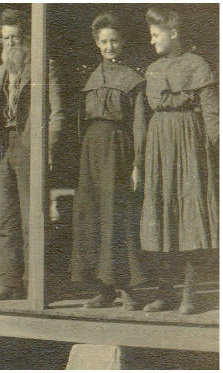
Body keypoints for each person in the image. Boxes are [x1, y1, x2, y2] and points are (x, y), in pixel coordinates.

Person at [0, 9, 65, 300]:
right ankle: (9, 282)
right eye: (5, 39)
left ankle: (34, 282)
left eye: (15, 37)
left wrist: (48, 150)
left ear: (26, 38)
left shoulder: (43, 66)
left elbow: (57, 113)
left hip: (31, 150)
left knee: (33, 218)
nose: (11, 44)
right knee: (6, 221)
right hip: (3, 150)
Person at [140, 6, 218, 314]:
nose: (151, 41)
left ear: (174, 33)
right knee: (163, 215)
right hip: (160, 146)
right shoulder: (153, 69)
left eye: (156, 35)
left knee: (188, 217)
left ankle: (189, 292)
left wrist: (216, 146)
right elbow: (150, 107)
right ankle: (165, 291)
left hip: (190, 146)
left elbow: (212, 113)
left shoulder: (198, 65)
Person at [70, 13, 148, 310]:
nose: (110, 46)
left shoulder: (133, 79)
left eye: (114, 40)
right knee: (93, 214)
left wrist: (137, 163)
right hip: (92, 151)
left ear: (123, 41)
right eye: (104, 41)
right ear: (97, 44)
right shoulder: (90, 78)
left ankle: (127, 287)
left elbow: (139, 124)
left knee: (118, 215)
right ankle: (103, 288)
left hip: (119, 150)